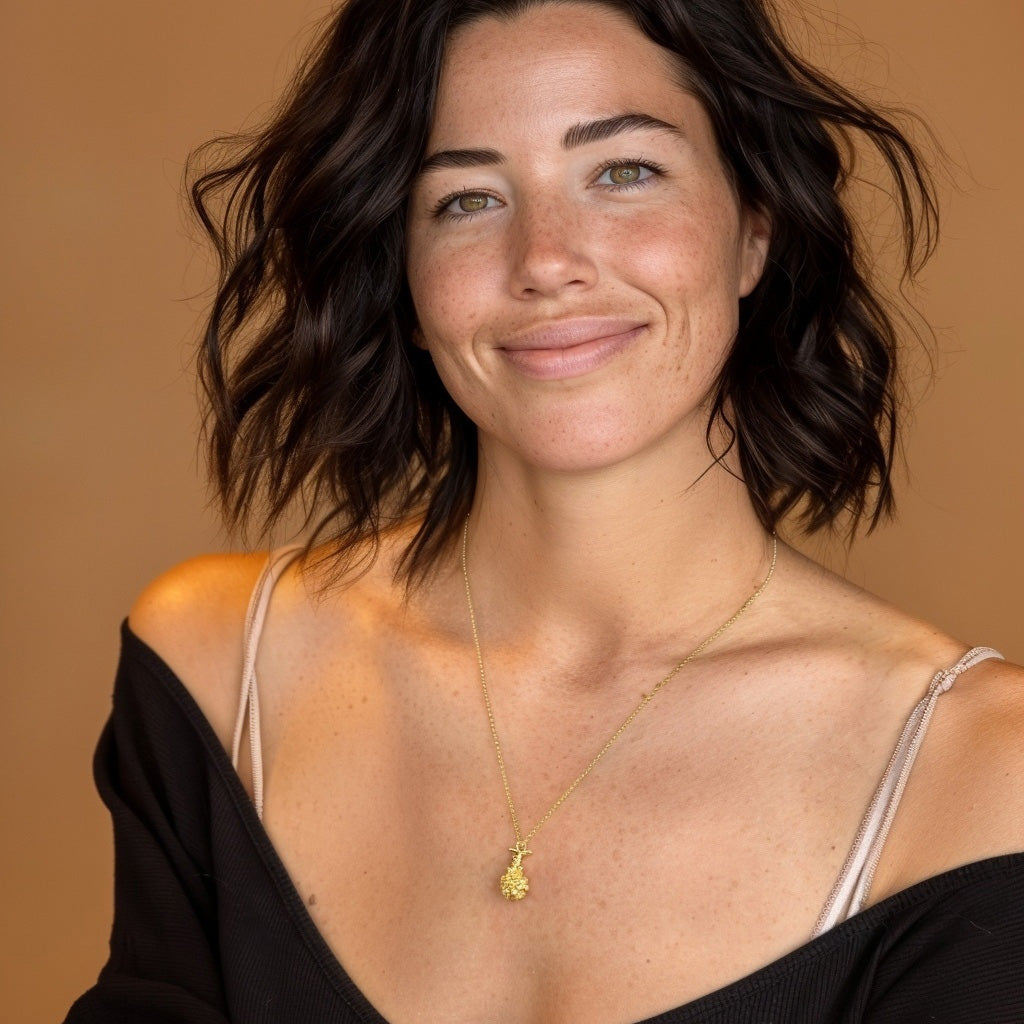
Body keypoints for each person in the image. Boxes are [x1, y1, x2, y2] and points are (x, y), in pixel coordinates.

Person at [67, 0, 1024, 1021]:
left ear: (753, 228)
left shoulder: (979, 777)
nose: (545, 260)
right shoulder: (224, 670)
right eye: (467, 199)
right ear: (404, 274)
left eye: (623, 173)